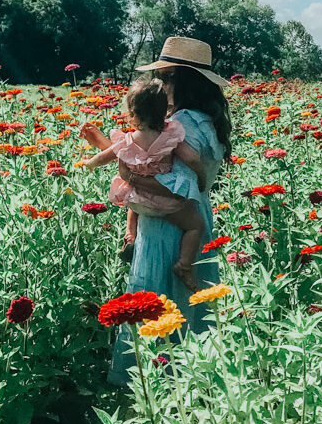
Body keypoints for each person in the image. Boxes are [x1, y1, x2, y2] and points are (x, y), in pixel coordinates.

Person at [79, 36, 232, 385]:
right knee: (192, 303)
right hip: (193, 217)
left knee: (162, 298)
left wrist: (131, 177)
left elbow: (172, 187)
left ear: (180, 79)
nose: (160, 84)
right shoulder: (205, 119)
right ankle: (196, 377)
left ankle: (162, 379)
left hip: (168, 225)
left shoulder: (183, 125)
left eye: (164, 76)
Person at [82, 78, 206, 293]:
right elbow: (193, 159)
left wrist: (89, 163)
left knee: (133, 200)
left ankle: (130, 235)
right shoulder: (169, 138)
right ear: (163, 111)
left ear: (133, 114)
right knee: (195, 225)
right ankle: (184, 265)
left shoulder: (127, 141)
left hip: (137, 199)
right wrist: (201, 178)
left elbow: (104, 157)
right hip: (165, 202)